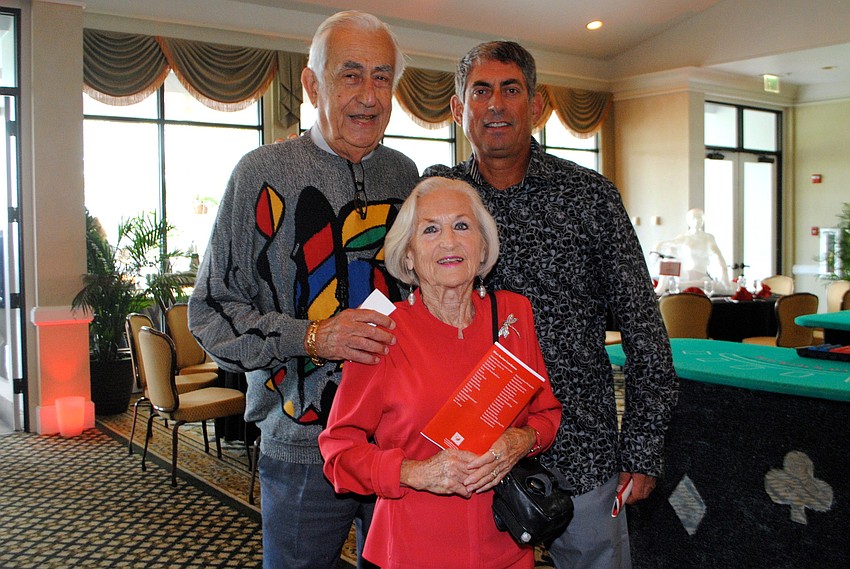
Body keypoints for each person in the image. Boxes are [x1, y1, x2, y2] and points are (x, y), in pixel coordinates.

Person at [424, 41, 678, 569]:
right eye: (481, 91)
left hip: (581, 449)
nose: (495, 104)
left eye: (510, 90)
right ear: (457, 108)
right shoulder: (438, 202)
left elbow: (644, 330)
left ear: (536, 106)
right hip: (470, 456)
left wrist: (643, 449)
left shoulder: (589, 197)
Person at [188, 11, 420, 569]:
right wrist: (312, 336)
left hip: (397, 442)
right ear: (312, 85)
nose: (369, 95)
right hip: (301, 448)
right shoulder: (260, 173)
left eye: (382, 77)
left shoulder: (406, 175)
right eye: (350, 75)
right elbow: (211, 311)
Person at [318, 177, 562, 568]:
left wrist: (521, 441)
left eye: (462, 226)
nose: (449, 241)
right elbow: (338, 452)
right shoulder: (382, 330)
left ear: (482, 246)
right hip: (415, 546)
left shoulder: (515, 315)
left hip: (507, 541)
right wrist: (416, 472)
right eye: (430, 229)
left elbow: (547, 414)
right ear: (409, 255)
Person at [653, 208, 732, 295]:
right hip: (686, 275)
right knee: (670, 251)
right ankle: (662, 286)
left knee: (714, 283)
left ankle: (683, 285)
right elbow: (668, 244)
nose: (698, 221)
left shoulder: (708, 238)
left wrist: (725, 274)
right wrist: (657, 246)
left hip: (701, 276)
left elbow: (718, 256)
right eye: (694, 218)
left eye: (700, 218)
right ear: (689, 221)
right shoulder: (684, 237)